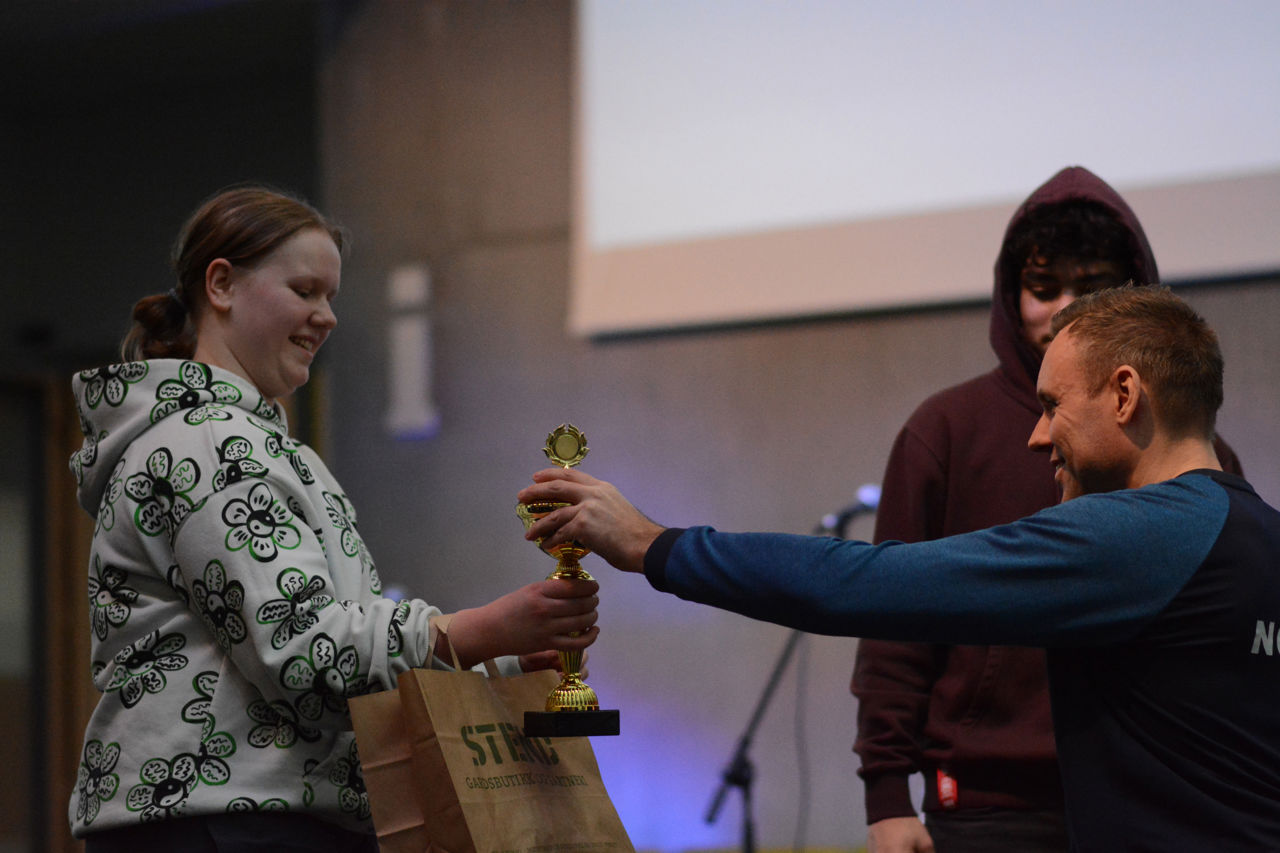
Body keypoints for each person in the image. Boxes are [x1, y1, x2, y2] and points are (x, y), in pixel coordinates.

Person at [517, 286, 1280, 852]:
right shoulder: (1259, 536)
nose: (1037, 436)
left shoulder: (1135, 538)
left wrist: (654, 544)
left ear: (1124, 394)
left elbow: (863, 582)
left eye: (1052, 404)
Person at [68, 186, 600, 852]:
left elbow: (330, 641)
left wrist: (494, 657)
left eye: (331, 297)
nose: (327, 316)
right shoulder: (204, 441)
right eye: (304, 289)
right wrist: (476, 630)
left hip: (253, 812)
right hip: (222, 820)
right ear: (222, 284)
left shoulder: (257, 444)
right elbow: (301, 654)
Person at [850, 166, 1242, 853]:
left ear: (1135, 291)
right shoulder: (944, 430)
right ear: (1011, 295)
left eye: (1092, 288)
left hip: (1160, 797)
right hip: (989, 806)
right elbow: (892, 620)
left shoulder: (1193, 453)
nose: (1065, 308)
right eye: (1043, 287)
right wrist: (887, 794)